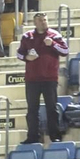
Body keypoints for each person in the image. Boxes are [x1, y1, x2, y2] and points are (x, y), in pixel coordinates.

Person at [17, 13, 68, 145]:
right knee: (32, 109)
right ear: (35, 23)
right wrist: (26, 57)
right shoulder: (27, 36)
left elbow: (65, 51)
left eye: (45, 20)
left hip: (49, 78)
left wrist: (53, 44)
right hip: (32, 79)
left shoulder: (54, 35)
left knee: (52, 108)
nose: (43, 22)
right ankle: (33, 136)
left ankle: (55, 136)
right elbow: (19, 53)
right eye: (40, 20)